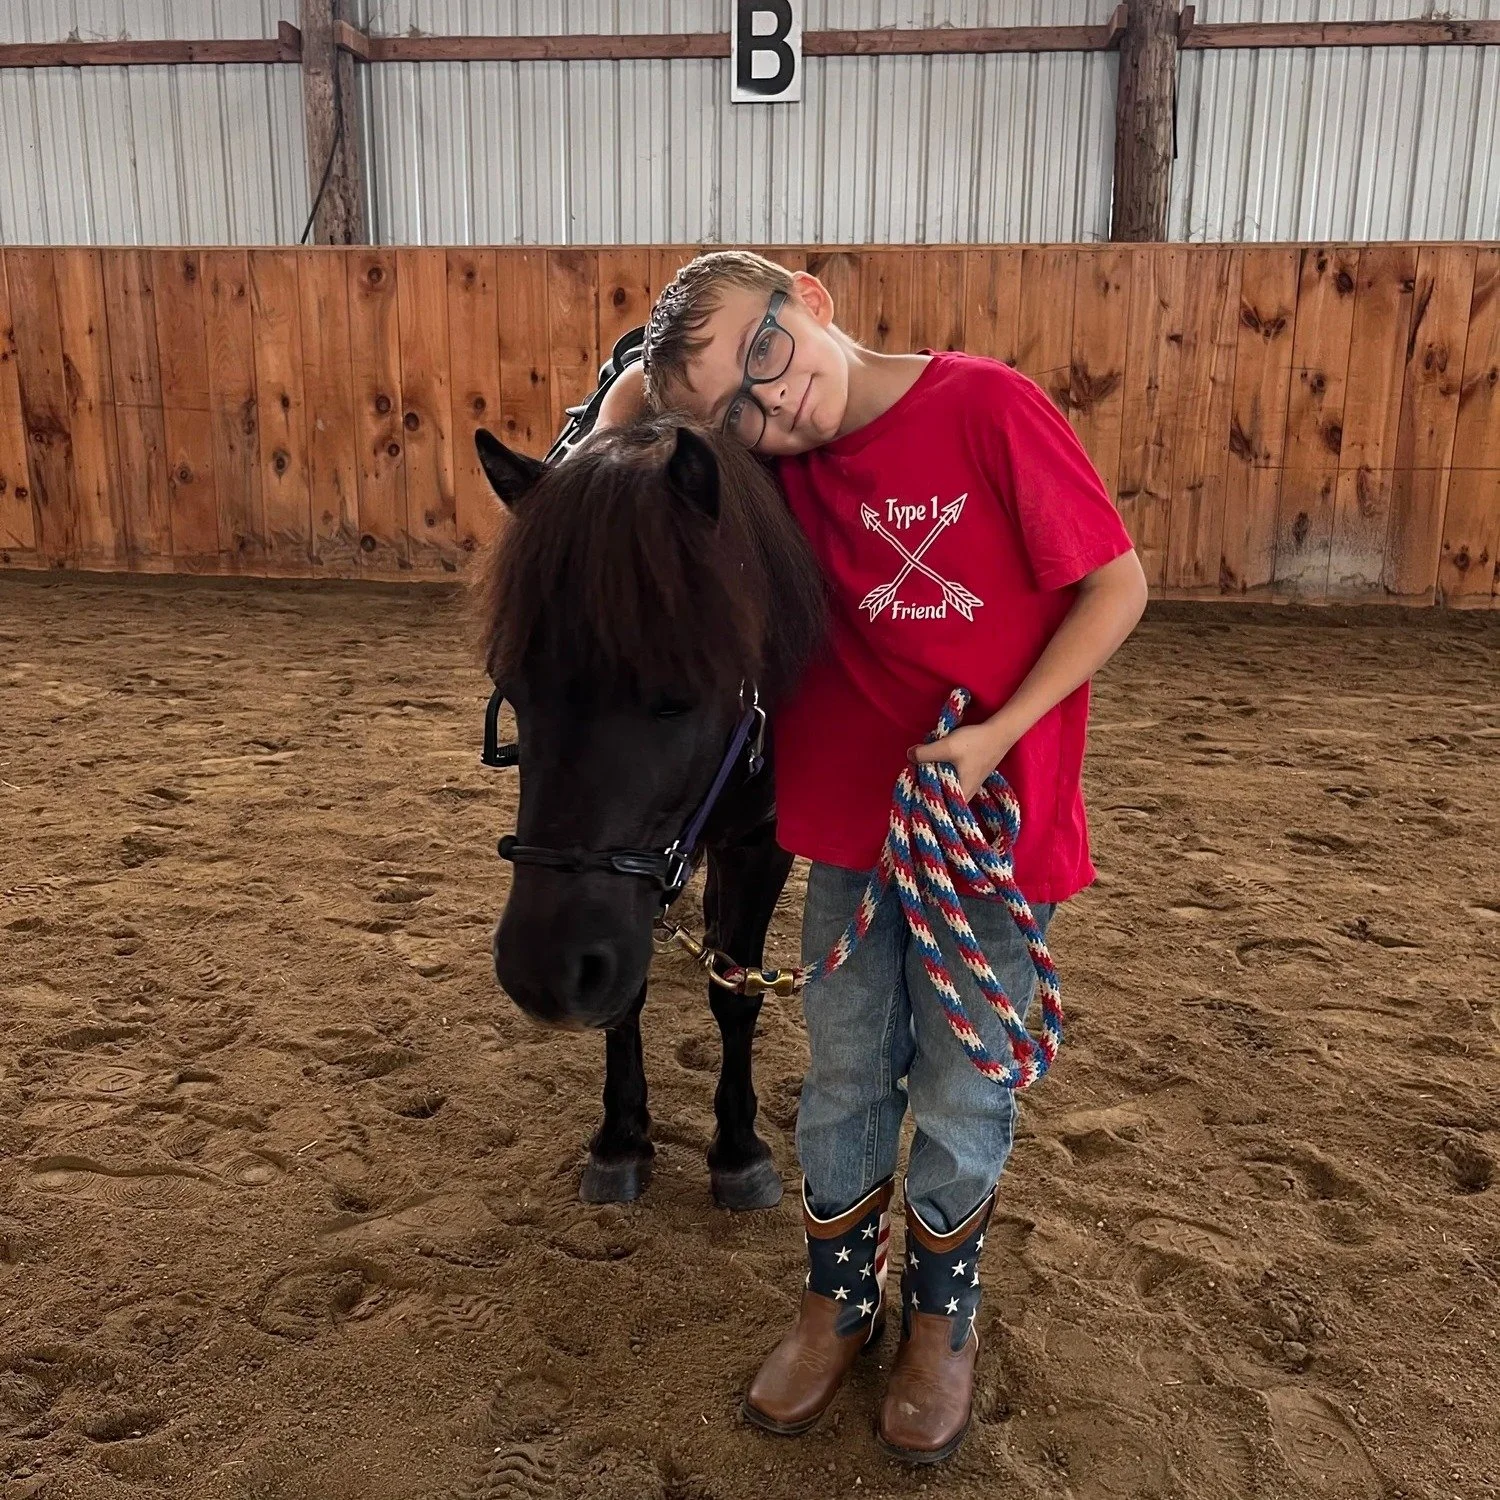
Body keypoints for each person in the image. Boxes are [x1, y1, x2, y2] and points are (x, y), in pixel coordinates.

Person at [596, 251, 1148, 1463]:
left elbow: (1117, 584)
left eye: (767, 355)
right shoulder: (766, 478)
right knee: (846, 1075)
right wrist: (664, 382)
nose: (772, 404)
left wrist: (999, 735)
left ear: (814, 298)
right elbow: (622, 428)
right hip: (851, 834)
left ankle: (940, 1323)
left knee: (965, 1084)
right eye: (734, 409)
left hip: (987, 839)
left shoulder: (989, 406)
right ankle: (835, 1298)